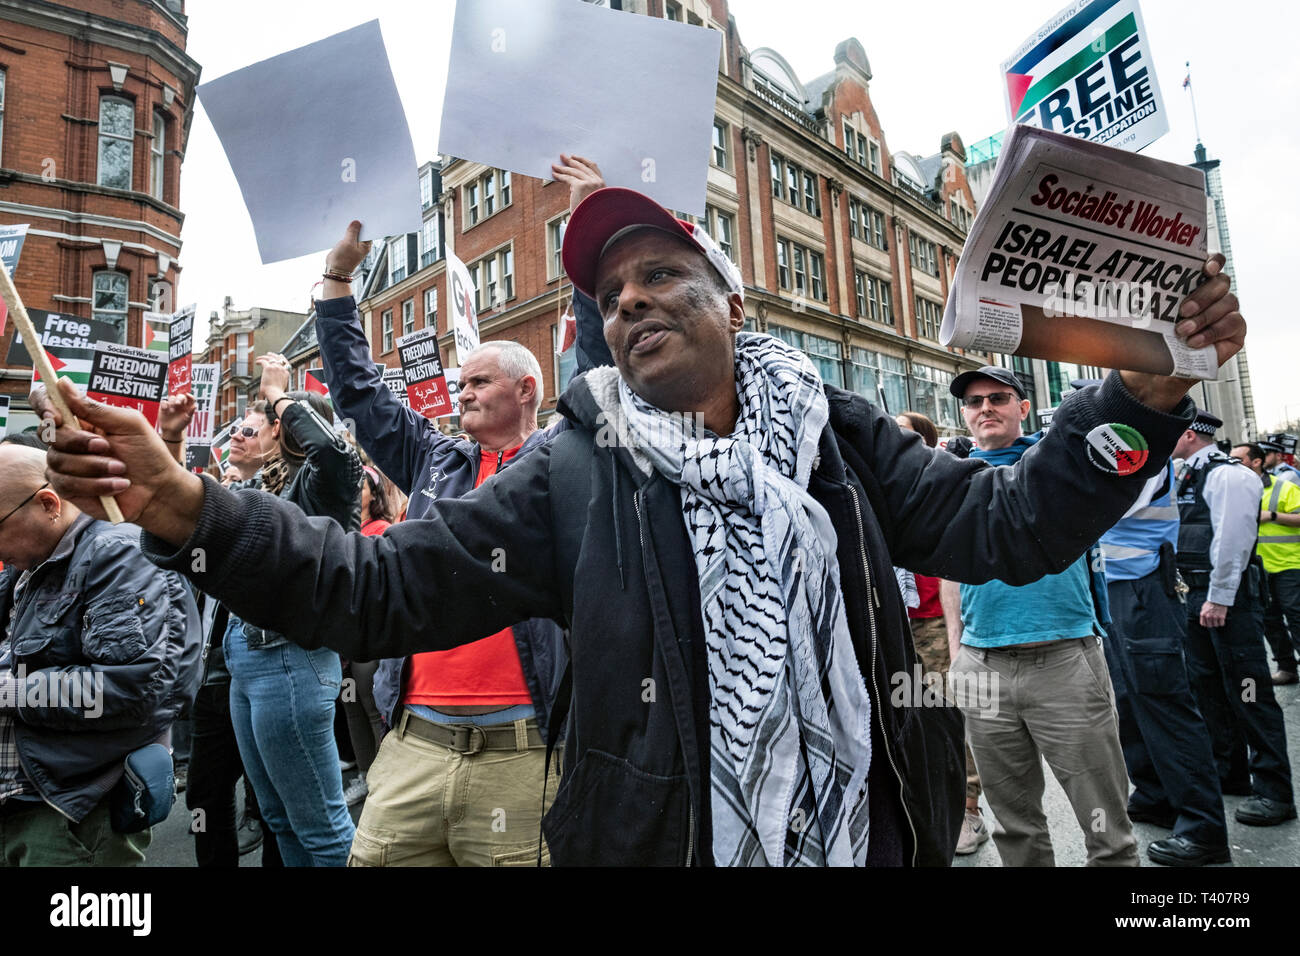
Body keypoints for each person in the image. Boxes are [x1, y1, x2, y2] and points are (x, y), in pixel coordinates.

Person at [37, 187, 1244, 866]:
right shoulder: (573, 465)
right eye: (611, 297)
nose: (630, 304)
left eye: (662, 274)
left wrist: (1134, 398)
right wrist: (193, 509)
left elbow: (1005, 527)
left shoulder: (837, 429)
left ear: (729, 299)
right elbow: (379, 591)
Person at [309, 156, 606, 866]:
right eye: (459, 383)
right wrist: (338, 283)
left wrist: (589, 219)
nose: (461, 392)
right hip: (413, 742)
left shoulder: (561, 457)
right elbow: (356, 393)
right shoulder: (433, 459)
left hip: (521, 751)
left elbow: (597, 369)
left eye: (478, 381)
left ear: (528, 389)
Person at [939, 366, 1138, 866]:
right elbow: (946, 568)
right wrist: (958, 649)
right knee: (1017, 829)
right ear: (964, 414)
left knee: (1107, 832)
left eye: (998, 398)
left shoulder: (1057, 464)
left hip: (1066, 660)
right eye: (974, 401)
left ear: (1023, 408)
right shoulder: (955, 479)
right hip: (983, 668)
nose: (985, 408)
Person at [0, 443, 201, 865]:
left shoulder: (120, 554)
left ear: (48, 503)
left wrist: (7, 691)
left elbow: (129, 688)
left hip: (69, 813)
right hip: (34, 799)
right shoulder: (33, 561)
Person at [219, 355, 363, 866]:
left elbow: (331, 449)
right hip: (247, 662)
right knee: (278, 817)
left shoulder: (325, 484)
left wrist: (278, 393)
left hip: (291, 658)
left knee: (321, 826)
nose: (277, 425)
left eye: (285, 419)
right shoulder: (267, 485)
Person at [1098, 448, 1229, 866]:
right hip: (1118, 592)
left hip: (1144, 592)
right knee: (1131, 703)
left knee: (1165, 705)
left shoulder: (1141, 455)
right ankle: (1156, 795)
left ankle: (1203, 830)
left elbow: (1099, 505)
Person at [1175, 412, 1295, 826]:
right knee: (1207, 687)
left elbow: (1232, 541)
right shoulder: (1187, 474)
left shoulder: (1228, 476)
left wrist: (1219, 598)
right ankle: (1231, 773)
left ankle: (1274, 791)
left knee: (1248, 692)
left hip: (1225, 601)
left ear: (1189, 434)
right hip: (1195, 596)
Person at [896, 411, 987, 856]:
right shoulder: (878, 482)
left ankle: (968, 807)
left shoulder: (936, 480)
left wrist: (956, 632)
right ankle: (923, 805)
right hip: (895, 620)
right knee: (907, 714)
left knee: (951, 713)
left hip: (932, 620)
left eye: (902, 433)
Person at [339, 463, 399, 807]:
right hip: (345, 638)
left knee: (372, 707)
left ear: (372, 495)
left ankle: (385, 778)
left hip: (370, 637)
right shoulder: (346, 528)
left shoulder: (380, 529)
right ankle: (365, 774)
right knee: (350, 708)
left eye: (359, 486)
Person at [1230, 442, 1300, 686]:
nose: (1232, 463)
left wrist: (1271, 516)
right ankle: (1287, 668)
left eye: (1238, 458)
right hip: (1257, 568)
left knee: (1296, 616)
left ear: (1256, 461)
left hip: (1289, 564)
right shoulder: (1233, 489)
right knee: (1269, 620)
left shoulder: (1285, 487)